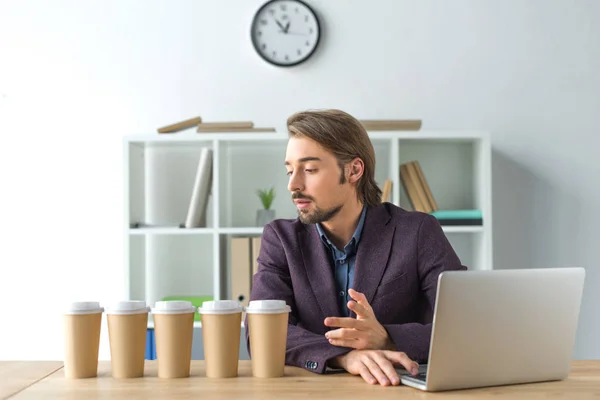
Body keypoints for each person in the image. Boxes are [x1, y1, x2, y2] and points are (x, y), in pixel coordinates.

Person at [247, 109, 466, 386]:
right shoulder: (280, 238)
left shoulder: (419, 231)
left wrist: (386, 336)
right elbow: (261, 332)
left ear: (354, 170)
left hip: (398, 389)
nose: (293, 184)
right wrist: (343, 357)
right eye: (290, 170)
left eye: (310, 169)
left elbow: (464, 327)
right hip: (313, 391)